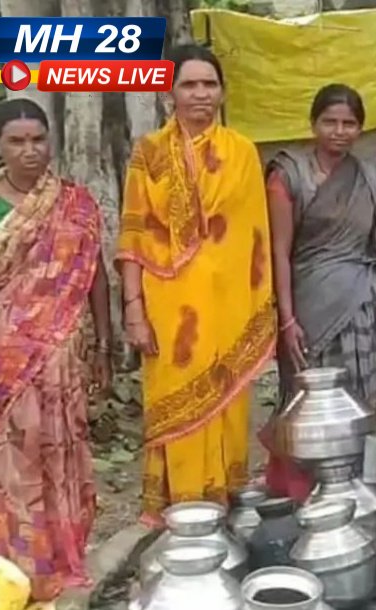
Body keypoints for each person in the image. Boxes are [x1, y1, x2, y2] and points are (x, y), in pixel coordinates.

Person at [116, 44, 277, 525]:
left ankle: (222, 501)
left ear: (223, 91)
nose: (200, 94)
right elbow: (133, 236)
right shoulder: (148, 154)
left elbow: (254, 239)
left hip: (229, 307)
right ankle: (179, 505)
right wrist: (133, 309)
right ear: (170, 92)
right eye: (189, 84)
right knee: (174, 401)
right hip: (171, 308)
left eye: (210, 84)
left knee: (226, 403)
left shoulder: (242, 153)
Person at [0, 99, 112, 599]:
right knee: (11, 459)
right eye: (17, 141)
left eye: (38, 140)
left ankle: (61, 554)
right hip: (2, 359)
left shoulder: (74, 204)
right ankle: (17, 564)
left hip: (61, 354)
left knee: (60, 450)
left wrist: (104, 342)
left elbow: (94, 274)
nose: (30, 151)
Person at [261, 84, 376, 501]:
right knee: (307, 401)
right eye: (330, 122)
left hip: (362, 305)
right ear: (313, 124)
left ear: (360, 128)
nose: (339, 131)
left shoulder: (371, 179)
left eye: (349, 123)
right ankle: (303, 492)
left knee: (357, 399)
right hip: (308, 306)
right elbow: (279, 251)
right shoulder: (289, 175)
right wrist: (287, 319)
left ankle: (355, 489)